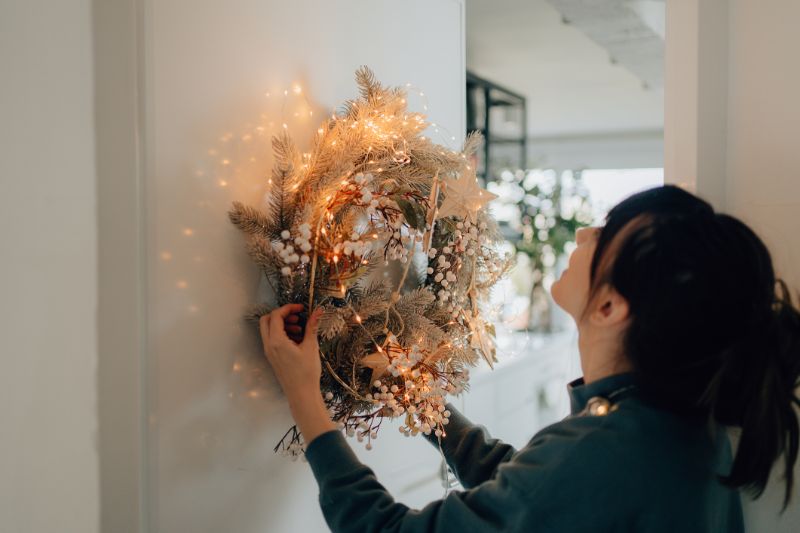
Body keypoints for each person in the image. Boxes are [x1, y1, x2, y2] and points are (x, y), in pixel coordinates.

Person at [258, 184, 800, 532]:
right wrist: (424, 401)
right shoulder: (666, 427)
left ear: (610, 305)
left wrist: (306, 397)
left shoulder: (610, 449)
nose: (587, 232)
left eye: (607, 233)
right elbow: (532, 494)